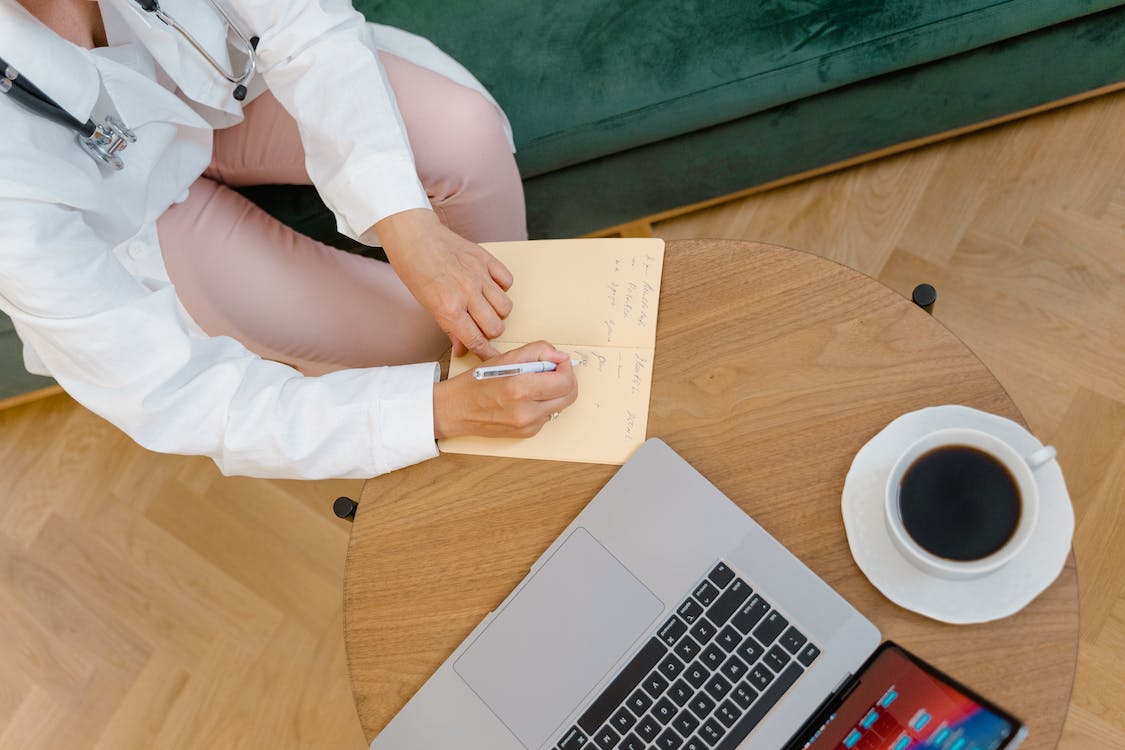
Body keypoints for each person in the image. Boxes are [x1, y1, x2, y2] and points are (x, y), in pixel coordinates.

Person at [0, 0, 578, 479]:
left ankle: (541, 335)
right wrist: (437, 413)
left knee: (465, 137)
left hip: (228, 87)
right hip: (132, 222)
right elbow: (182, 393)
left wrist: (406, 222)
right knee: (417, 337)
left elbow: (300, 22)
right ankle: (515, 396)